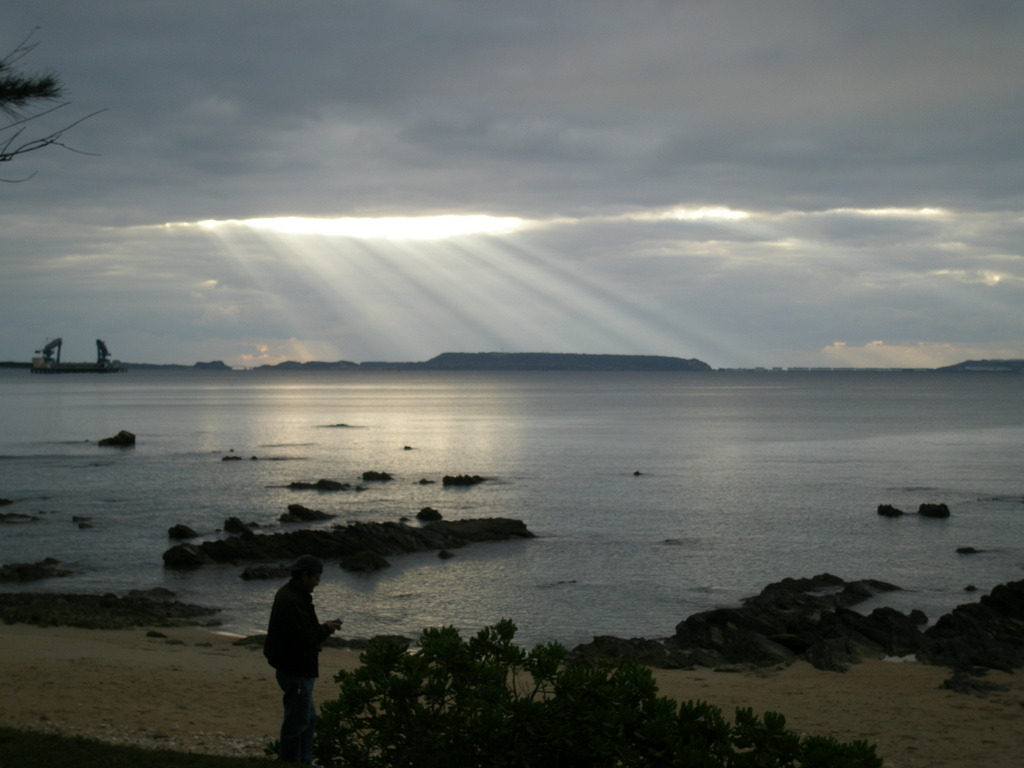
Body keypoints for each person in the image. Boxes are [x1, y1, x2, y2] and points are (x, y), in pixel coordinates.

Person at [264, 554, 342, 765]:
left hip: (296, 668)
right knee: (297, 723)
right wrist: (326, 629)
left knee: (306, 720)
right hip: (296, 670)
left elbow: (302, 632)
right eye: (316, 578)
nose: (318, 583)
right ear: (305, 576)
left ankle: (304, 761)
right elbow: (305, 636)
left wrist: (323, 628)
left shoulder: (291, 595)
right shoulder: (291, 600)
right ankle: (292, 763)